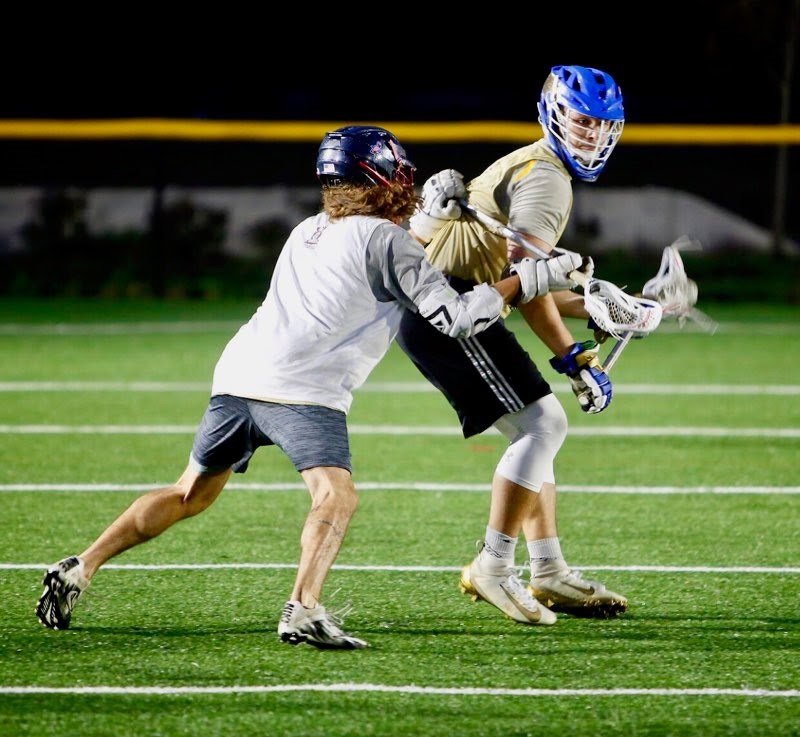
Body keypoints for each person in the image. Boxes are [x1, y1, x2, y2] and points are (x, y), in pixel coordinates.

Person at [35, 125, 585, 649]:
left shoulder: (308, 228)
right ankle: (303, 609)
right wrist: (527, 279)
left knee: (188, 494)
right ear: (380, 178)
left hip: (238, 377)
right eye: (398, 174)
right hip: (302, 390)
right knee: (336, 496)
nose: (407, 182)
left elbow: (378, 254)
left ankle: (81, 566)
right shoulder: (387, 240)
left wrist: (427, 221)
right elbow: (456, 318)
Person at [401, 65, 628, 625]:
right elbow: (527, 283)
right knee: (543, 428)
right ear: (554, 114)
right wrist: (572, 357)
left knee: (537, 433)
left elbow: (527, 280)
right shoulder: (547, 179)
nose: (593, 136)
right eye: (583, 121)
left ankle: (547, 569)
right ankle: (493, 565)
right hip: (452, 310)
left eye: (604, 126)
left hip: (462, 300)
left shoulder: (538, 165)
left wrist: (600, 306)